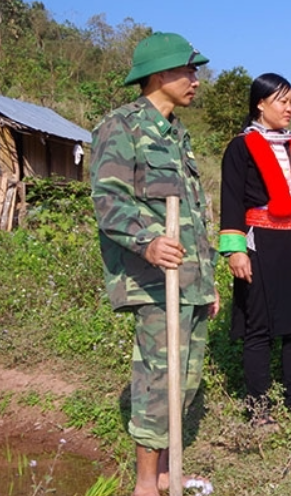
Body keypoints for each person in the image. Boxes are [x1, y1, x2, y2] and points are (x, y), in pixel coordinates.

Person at [90, 32, 219, 496]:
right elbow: (109, 201)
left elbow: (193, 214)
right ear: (160, 74)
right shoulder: (121, 127)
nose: (196, 81)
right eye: (189, 71)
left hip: (190, 282)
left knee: (184, 381)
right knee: (156, 383)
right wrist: (147, 243)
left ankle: (168, 472)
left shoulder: (178, 135)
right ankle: (146, 484)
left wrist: (208, 280)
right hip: (153, 280)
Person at [219, 73, 291, 422]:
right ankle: (258, 408)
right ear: (260, 103)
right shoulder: (240, 147)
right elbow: (231, 198)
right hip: (261, 243)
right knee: (260, 327)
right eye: (282, 101)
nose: (290, 108)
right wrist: (235, 250)